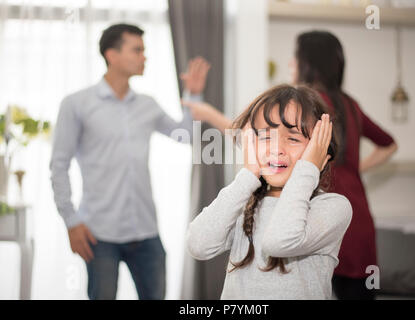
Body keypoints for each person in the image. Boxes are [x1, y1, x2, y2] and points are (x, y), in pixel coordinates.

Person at [50, 23, 223, 300]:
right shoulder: (76, 104)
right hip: (99, 233)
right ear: (112, 55)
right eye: (138, 50)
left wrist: (193, 94)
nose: (145, 57)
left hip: (146, 233)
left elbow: (187, 135)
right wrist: (71, 221)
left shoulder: (147, 104)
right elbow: (59, 166)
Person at [186, 84, 352, 299]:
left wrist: (308, 168)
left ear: (319, 153)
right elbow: (198, 244)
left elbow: (280, 241)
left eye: (293, 138)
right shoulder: (243, 203)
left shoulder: (332, 207)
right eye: (265, 137)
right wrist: (248, 174)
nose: (276, 148)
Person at [290, 30, 398, 300]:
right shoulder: (351, 105)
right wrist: (355, 168)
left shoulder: (305, 104)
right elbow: (390, 144)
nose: (290, 64)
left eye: (295, 58)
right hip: (358, 220)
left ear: (308, 63)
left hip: (324, 221)